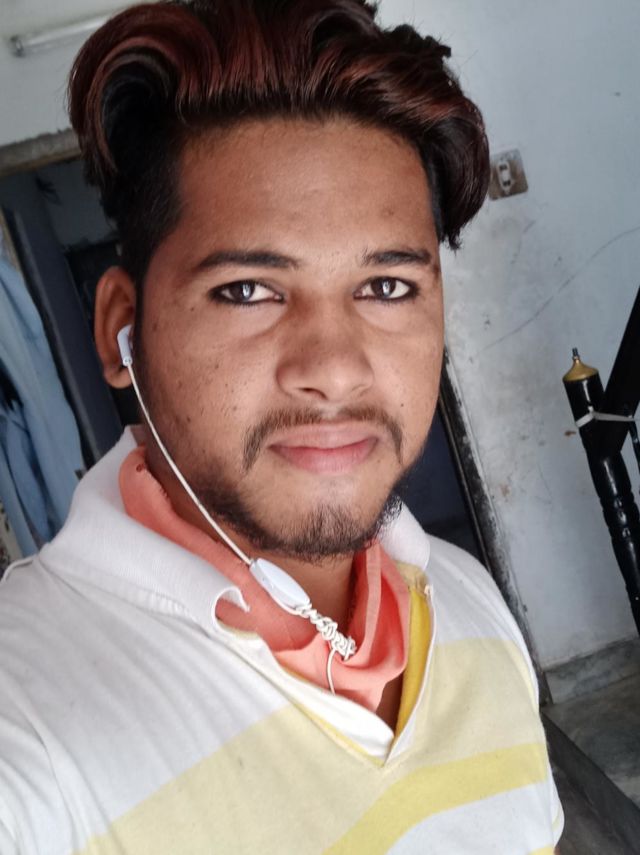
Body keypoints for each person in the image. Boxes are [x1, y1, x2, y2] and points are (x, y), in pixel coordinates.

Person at [0, 1, 563, 852]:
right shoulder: (31, 725)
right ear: (122, 331)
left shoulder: (467, 599)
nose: (334, 368)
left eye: (387, 287)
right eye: (248, 291)